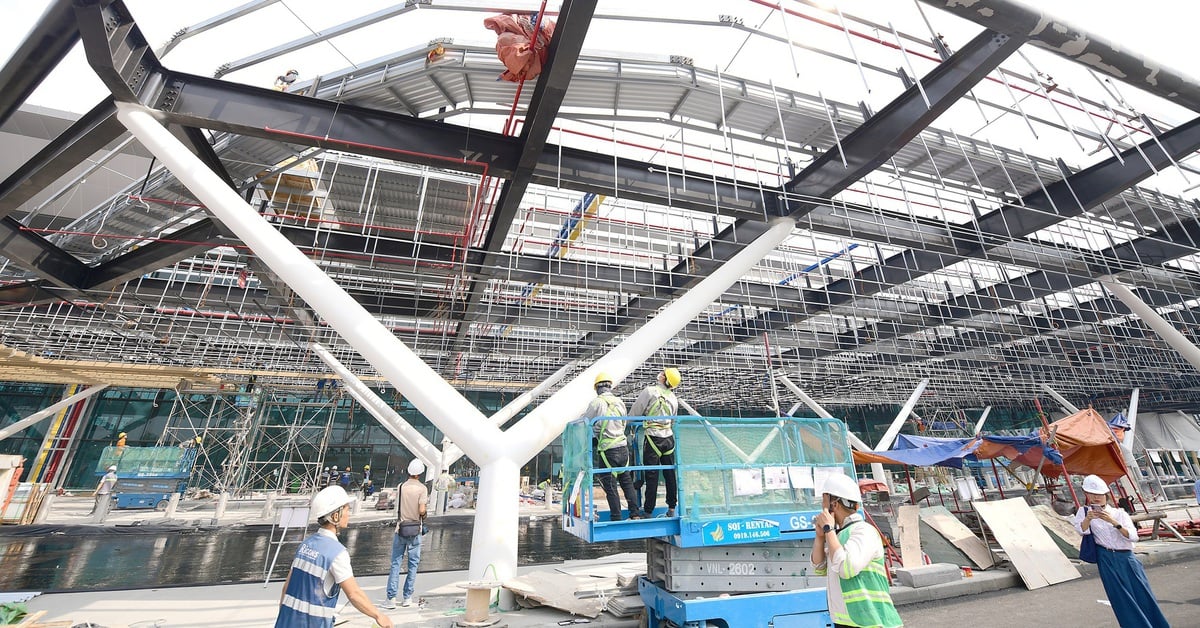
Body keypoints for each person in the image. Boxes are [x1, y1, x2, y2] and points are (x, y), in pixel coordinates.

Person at [274, 486, 393, 628]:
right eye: (347, 509)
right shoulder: (337, 553)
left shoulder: (305, 545)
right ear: (335, 515)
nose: (349, 513)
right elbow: (354, 594)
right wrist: (378, 615)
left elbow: (286, 587)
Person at [1073, 474, 1168, 628]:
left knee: (1142, 594)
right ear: (1086, 494)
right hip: (1105, 557)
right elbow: (1081, 531)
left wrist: (1113, 522)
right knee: (1120, 599)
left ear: (1106, 495)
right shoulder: (1084, 512)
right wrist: (1088, 519)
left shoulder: (1120, 513)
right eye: (1091, 494)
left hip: (1126, 557)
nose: (1095, 498)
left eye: (1099, 494)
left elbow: (1133, 536)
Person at [812, 474, 903, 628]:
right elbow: (819, 567)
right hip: (850, 621)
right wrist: (821, 537)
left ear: (834, 505)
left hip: (874, 621)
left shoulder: (863, 531)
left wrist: (829, 528)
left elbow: (846, 568)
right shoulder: (838, 535)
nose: (822, 507)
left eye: (824, 501)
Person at [583, 373, 643, 521]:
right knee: (627, 482)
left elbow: (585, 422)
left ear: (597, 388)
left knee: (610, 486)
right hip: (623, 448)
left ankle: (616, 517)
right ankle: (634, 514)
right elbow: (624, 421)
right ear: (610, 386)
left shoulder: (596, 403)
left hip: (607, 450)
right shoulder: (620, 402)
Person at [630, 367, 681, 518]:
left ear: (664, 379)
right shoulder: (673, 398)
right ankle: (672, 508)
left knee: (651, 475)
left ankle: (648, 511)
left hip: (653, 437)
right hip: (669, 438)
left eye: (663, 374)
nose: (660, 374)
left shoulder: (650, 391)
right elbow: (673, 419)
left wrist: (625, 423)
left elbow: (636, 411)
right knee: (670, 474)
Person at [381, 459, 429, 609]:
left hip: (400, 528)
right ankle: (407, 597)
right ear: (420, 473)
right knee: (413, 565)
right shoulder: (422, 488)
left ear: (408, 471)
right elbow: (421, 510)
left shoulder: (401, 486)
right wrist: (424, 513)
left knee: (395, 563)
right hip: (415, 530)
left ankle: (391, 599)